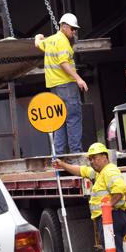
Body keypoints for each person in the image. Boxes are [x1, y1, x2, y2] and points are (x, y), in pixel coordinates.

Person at [52, 143, 126, 252]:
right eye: (90, 159)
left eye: (95, 158)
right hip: (108, 218)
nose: (92, 161)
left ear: (105, 157)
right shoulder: (99, 172)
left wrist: (108, 207)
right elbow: (81, 170)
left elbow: (120, 190)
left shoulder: (109, 171)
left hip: (112, 218)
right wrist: (62, 165)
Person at [35, 13, 88, 154]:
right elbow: (63, 63)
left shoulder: (51, 40)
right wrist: (78, 79)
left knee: (59, 121)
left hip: (54, 87)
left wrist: (38, 37)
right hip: (67, 86)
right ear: (64, 27)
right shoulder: (63, 41)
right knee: (73, 119)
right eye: (72, 29)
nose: (74, 32)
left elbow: (38, 43)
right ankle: (76, 153)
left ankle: (59, 155)